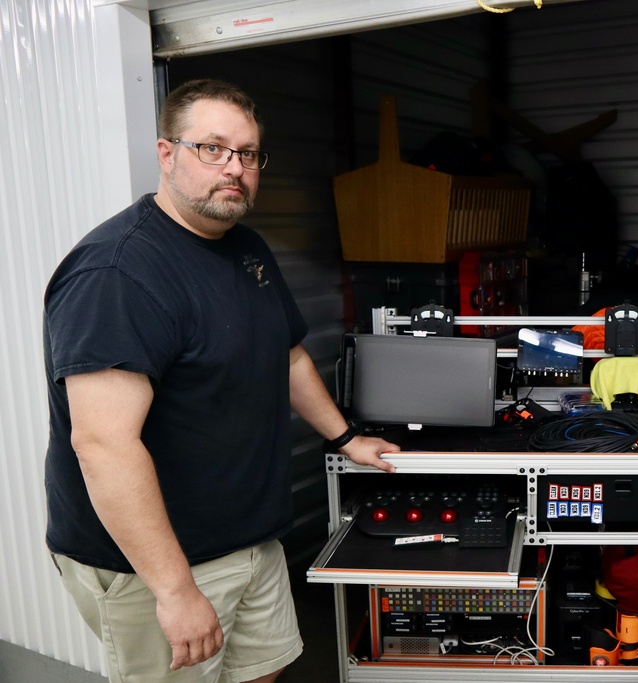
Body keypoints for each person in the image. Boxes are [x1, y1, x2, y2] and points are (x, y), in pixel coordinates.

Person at [42, 78, 398, 683]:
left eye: (248, 153)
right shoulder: (119, 273)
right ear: (166, 153)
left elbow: (285, 356)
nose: (234, 168)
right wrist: (176, 591)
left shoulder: (245, 247)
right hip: (160, 562)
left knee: (265, 671)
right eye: (212, 148)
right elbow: (104, 444)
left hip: (249, 539)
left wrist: (344, 438)